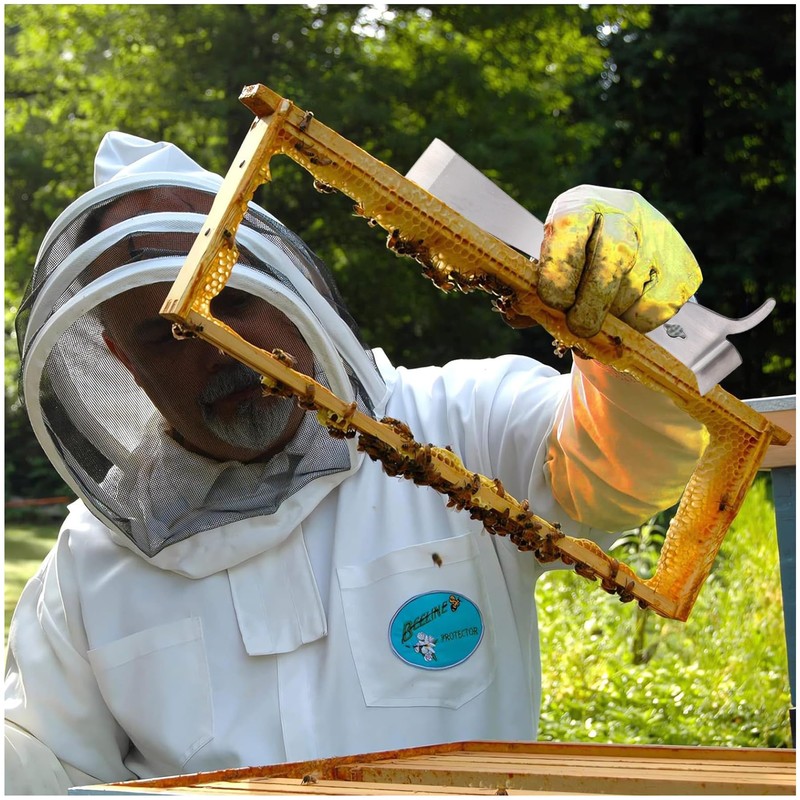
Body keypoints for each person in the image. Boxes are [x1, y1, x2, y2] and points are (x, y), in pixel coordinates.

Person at [5, 131, 707, 794]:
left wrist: (630, 337)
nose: (216, 347)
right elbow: (46, 760)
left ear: (287, 281)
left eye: (234, 299)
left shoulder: (459, 424)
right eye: (167, 335)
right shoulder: (88, 564)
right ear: (123, 359)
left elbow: (621, 472)